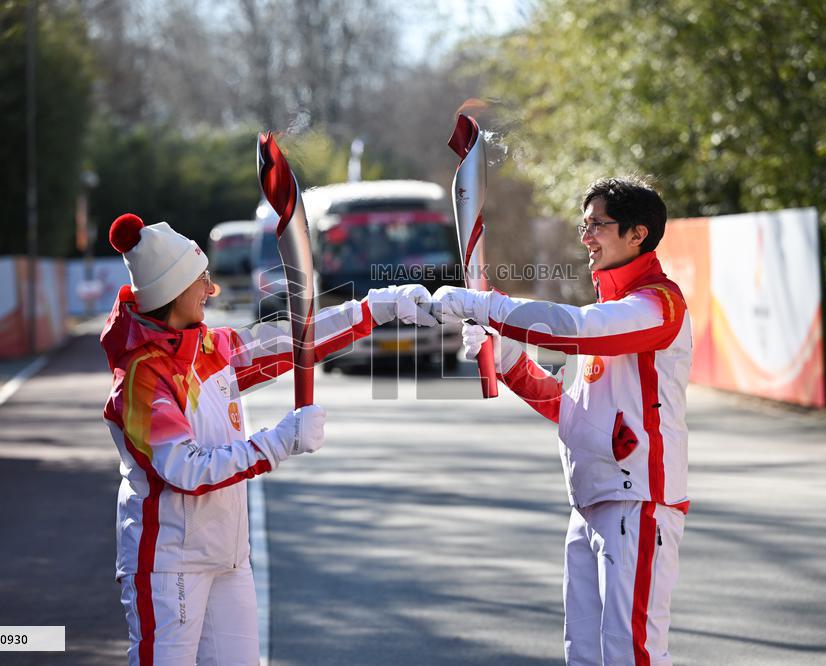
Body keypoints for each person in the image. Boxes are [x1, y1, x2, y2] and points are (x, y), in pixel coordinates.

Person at [100, 213, 436, 666]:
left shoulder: (208, 348)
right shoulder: (144, 377)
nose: (210, 289)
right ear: (172, 291)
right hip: (169, 564)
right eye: (201, 279)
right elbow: (186, 468)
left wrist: (375, 309)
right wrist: (278, 441)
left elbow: (290, 344)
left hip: (229, 556)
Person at [433, 176, 691, 666]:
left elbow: (577, 330)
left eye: (598, 225)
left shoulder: (659, 305)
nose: (586, 236)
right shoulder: (614, 308)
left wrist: (488, 306)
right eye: (584, 224)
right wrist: (505, 357)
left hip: (638, 503)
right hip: (589, 502)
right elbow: (566, 407)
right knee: (585, 656)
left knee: (630, 655)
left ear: (638, 233)